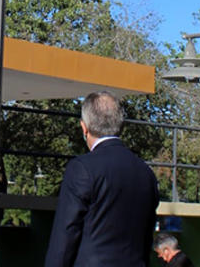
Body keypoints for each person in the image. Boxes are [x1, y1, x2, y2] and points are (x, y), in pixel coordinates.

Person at [45, 91, 159, 267]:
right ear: (120, 124)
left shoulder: (82, 168)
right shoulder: (145, 173)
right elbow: (146, 236)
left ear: (84, 127)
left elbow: (66, 235)